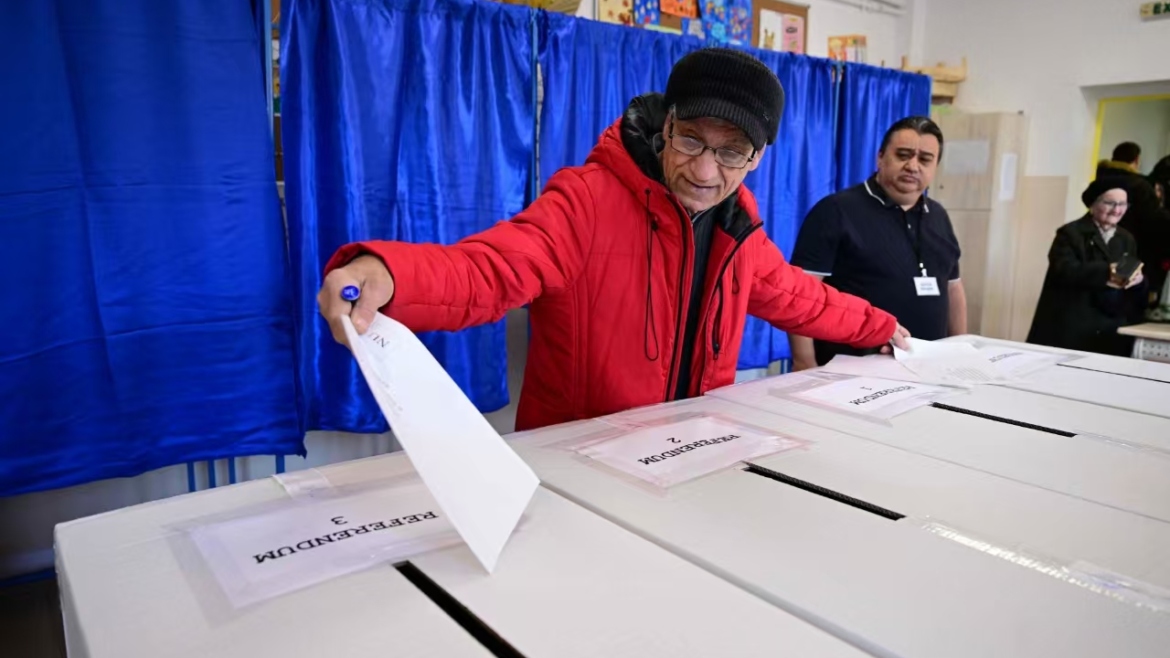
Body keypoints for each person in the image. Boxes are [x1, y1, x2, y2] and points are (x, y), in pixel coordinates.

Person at [317, 48, 909, 431]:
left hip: (689, 454)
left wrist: (882, 329)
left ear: (758, 158)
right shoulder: (588, 200)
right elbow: (489, 269)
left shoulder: (738, 231)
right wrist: (388, 276)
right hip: (579, 467)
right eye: (691, 141)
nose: (706, 173)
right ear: (665, 127)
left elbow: (803, 299)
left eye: (731, 152)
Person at [788, 117, 966, 371]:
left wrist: (959, 349)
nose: (912, 166)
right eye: (903, 155)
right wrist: (804, 361)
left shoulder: (938, 215)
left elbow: (953, 288)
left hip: (929, 367)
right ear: (880, 157)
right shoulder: (836, 211)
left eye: (924, 159)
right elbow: (801, 292)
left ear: (935, 166)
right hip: (850, 368)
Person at [1026, 179, 1145, 355]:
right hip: (1072, 321)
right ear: (1093, 204)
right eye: (1110, 203)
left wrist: (1139, 279)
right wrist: (1107, 272)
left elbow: (1132, 270)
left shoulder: (1126, 238)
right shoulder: (1070, 233)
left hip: (1110, 323)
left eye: (1122, 204)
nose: (1117, 210)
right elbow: (1063, 269)